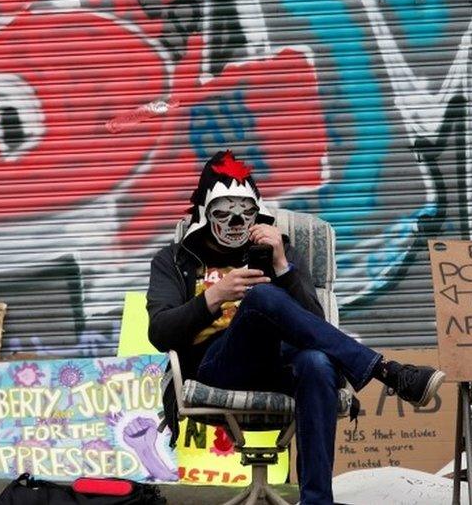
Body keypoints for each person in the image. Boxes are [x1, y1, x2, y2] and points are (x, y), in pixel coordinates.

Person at [146, 150, 445, 504]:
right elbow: (159, 332)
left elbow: (315, 327)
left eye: (245, 212)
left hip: (279, 366)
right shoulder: (176, 259)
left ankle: (317, 500)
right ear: (205, 214)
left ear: (258, 214)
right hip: (217, 368)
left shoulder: (278, 252)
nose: (235, 221)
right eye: (223, 212)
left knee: (317, 362)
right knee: (261, 299)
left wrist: (283, 265)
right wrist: (215, 297)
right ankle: (387, 371)